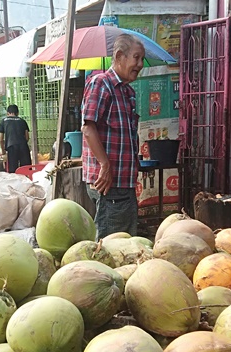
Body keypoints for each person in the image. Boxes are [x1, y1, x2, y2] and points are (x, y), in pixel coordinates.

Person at [81, 34, 144, 239]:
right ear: (119, 56)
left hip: (123, 183)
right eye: (136, 58)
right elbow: (88, 128)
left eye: (142, 59)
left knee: (126, 242)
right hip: (109, 183)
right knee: (112, 245)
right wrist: (105, 165)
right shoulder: (101, 83)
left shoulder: (128, 93)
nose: (140, 64)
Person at [0, 104, 30, 173]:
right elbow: (27, 137)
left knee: (13, 171)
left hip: (11, 148)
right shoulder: (22, 121)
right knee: (26, 169)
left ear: (7, 113)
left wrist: (3, 152)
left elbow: (0, 139)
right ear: (17, 113)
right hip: (23, 147)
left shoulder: (3, 121)